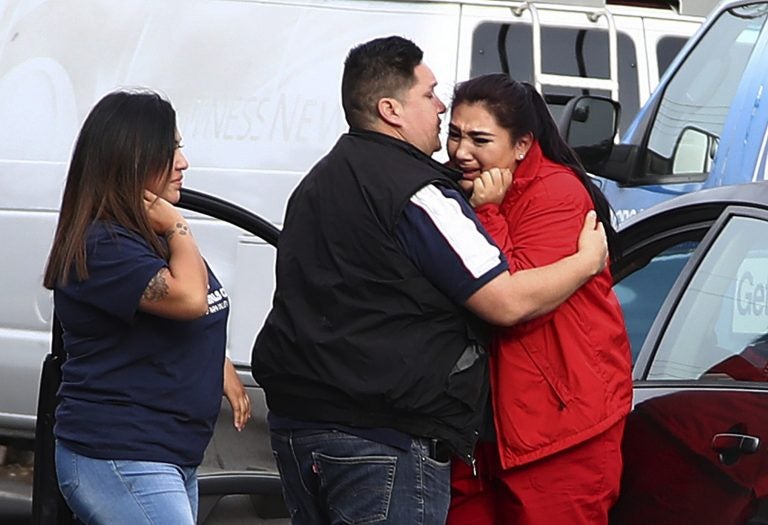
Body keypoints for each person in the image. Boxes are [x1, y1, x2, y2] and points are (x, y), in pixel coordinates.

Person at [250, 36, 608, 525]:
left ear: (523, 144)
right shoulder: (417, 190)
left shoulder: (320, 178)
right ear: (391, 109)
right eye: (431, 95)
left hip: (303, 424)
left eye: (477, 138)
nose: (441, 112)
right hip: (382, 433)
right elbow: (506, 300)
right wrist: (586, 262)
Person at [43, 89, 251, 525]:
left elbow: (197, 308)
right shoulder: (105, 244)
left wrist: (219, 363)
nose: (183, 162)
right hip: (121, 456)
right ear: (132, 160)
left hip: (160, 455)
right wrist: (178, 226)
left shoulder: (146, 237)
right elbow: (190, 298)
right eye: (170, 149)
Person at [445, 73, 633, 525]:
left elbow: (512, 297)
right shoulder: (461, 188)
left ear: (523, 145)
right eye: (454, 134)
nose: (460, 151)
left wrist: (488, 212)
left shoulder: (556, 192)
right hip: (486, 430)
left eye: (479, 139)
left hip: (559, 430)